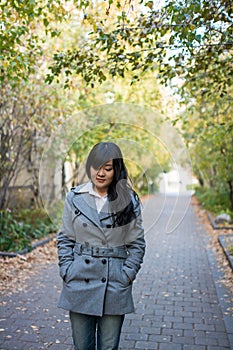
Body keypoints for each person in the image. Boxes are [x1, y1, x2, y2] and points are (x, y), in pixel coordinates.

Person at [57, 141, 146, 350]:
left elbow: (137, 244)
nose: (101, 173)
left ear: (116, 170)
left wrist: (126, 275)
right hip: (79, 279)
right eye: (97, 167)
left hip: (114, 283)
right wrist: (66, 270)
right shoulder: (75, 197)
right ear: (89, 166)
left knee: (108, 347)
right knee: (82, 347)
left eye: (108, 168)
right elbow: (65, 238)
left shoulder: (127, 200)